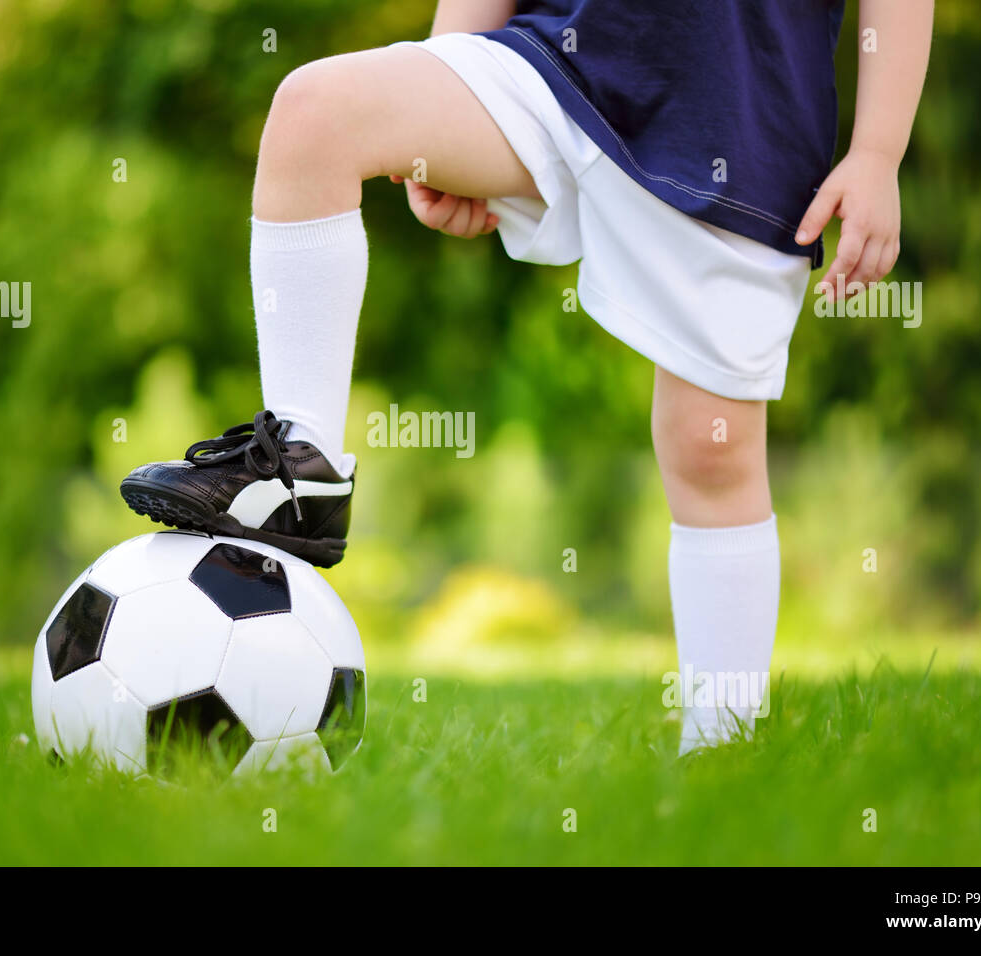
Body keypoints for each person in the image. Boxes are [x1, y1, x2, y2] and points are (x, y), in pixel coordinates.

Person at [119, 0, 934, 753]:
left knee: (710, 449)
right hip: (560, 60)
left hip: (742, 113)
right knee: (315, 114)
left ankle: (720, 747)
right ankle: (301, 470)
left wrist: (878, 151)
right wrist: (439, 86)